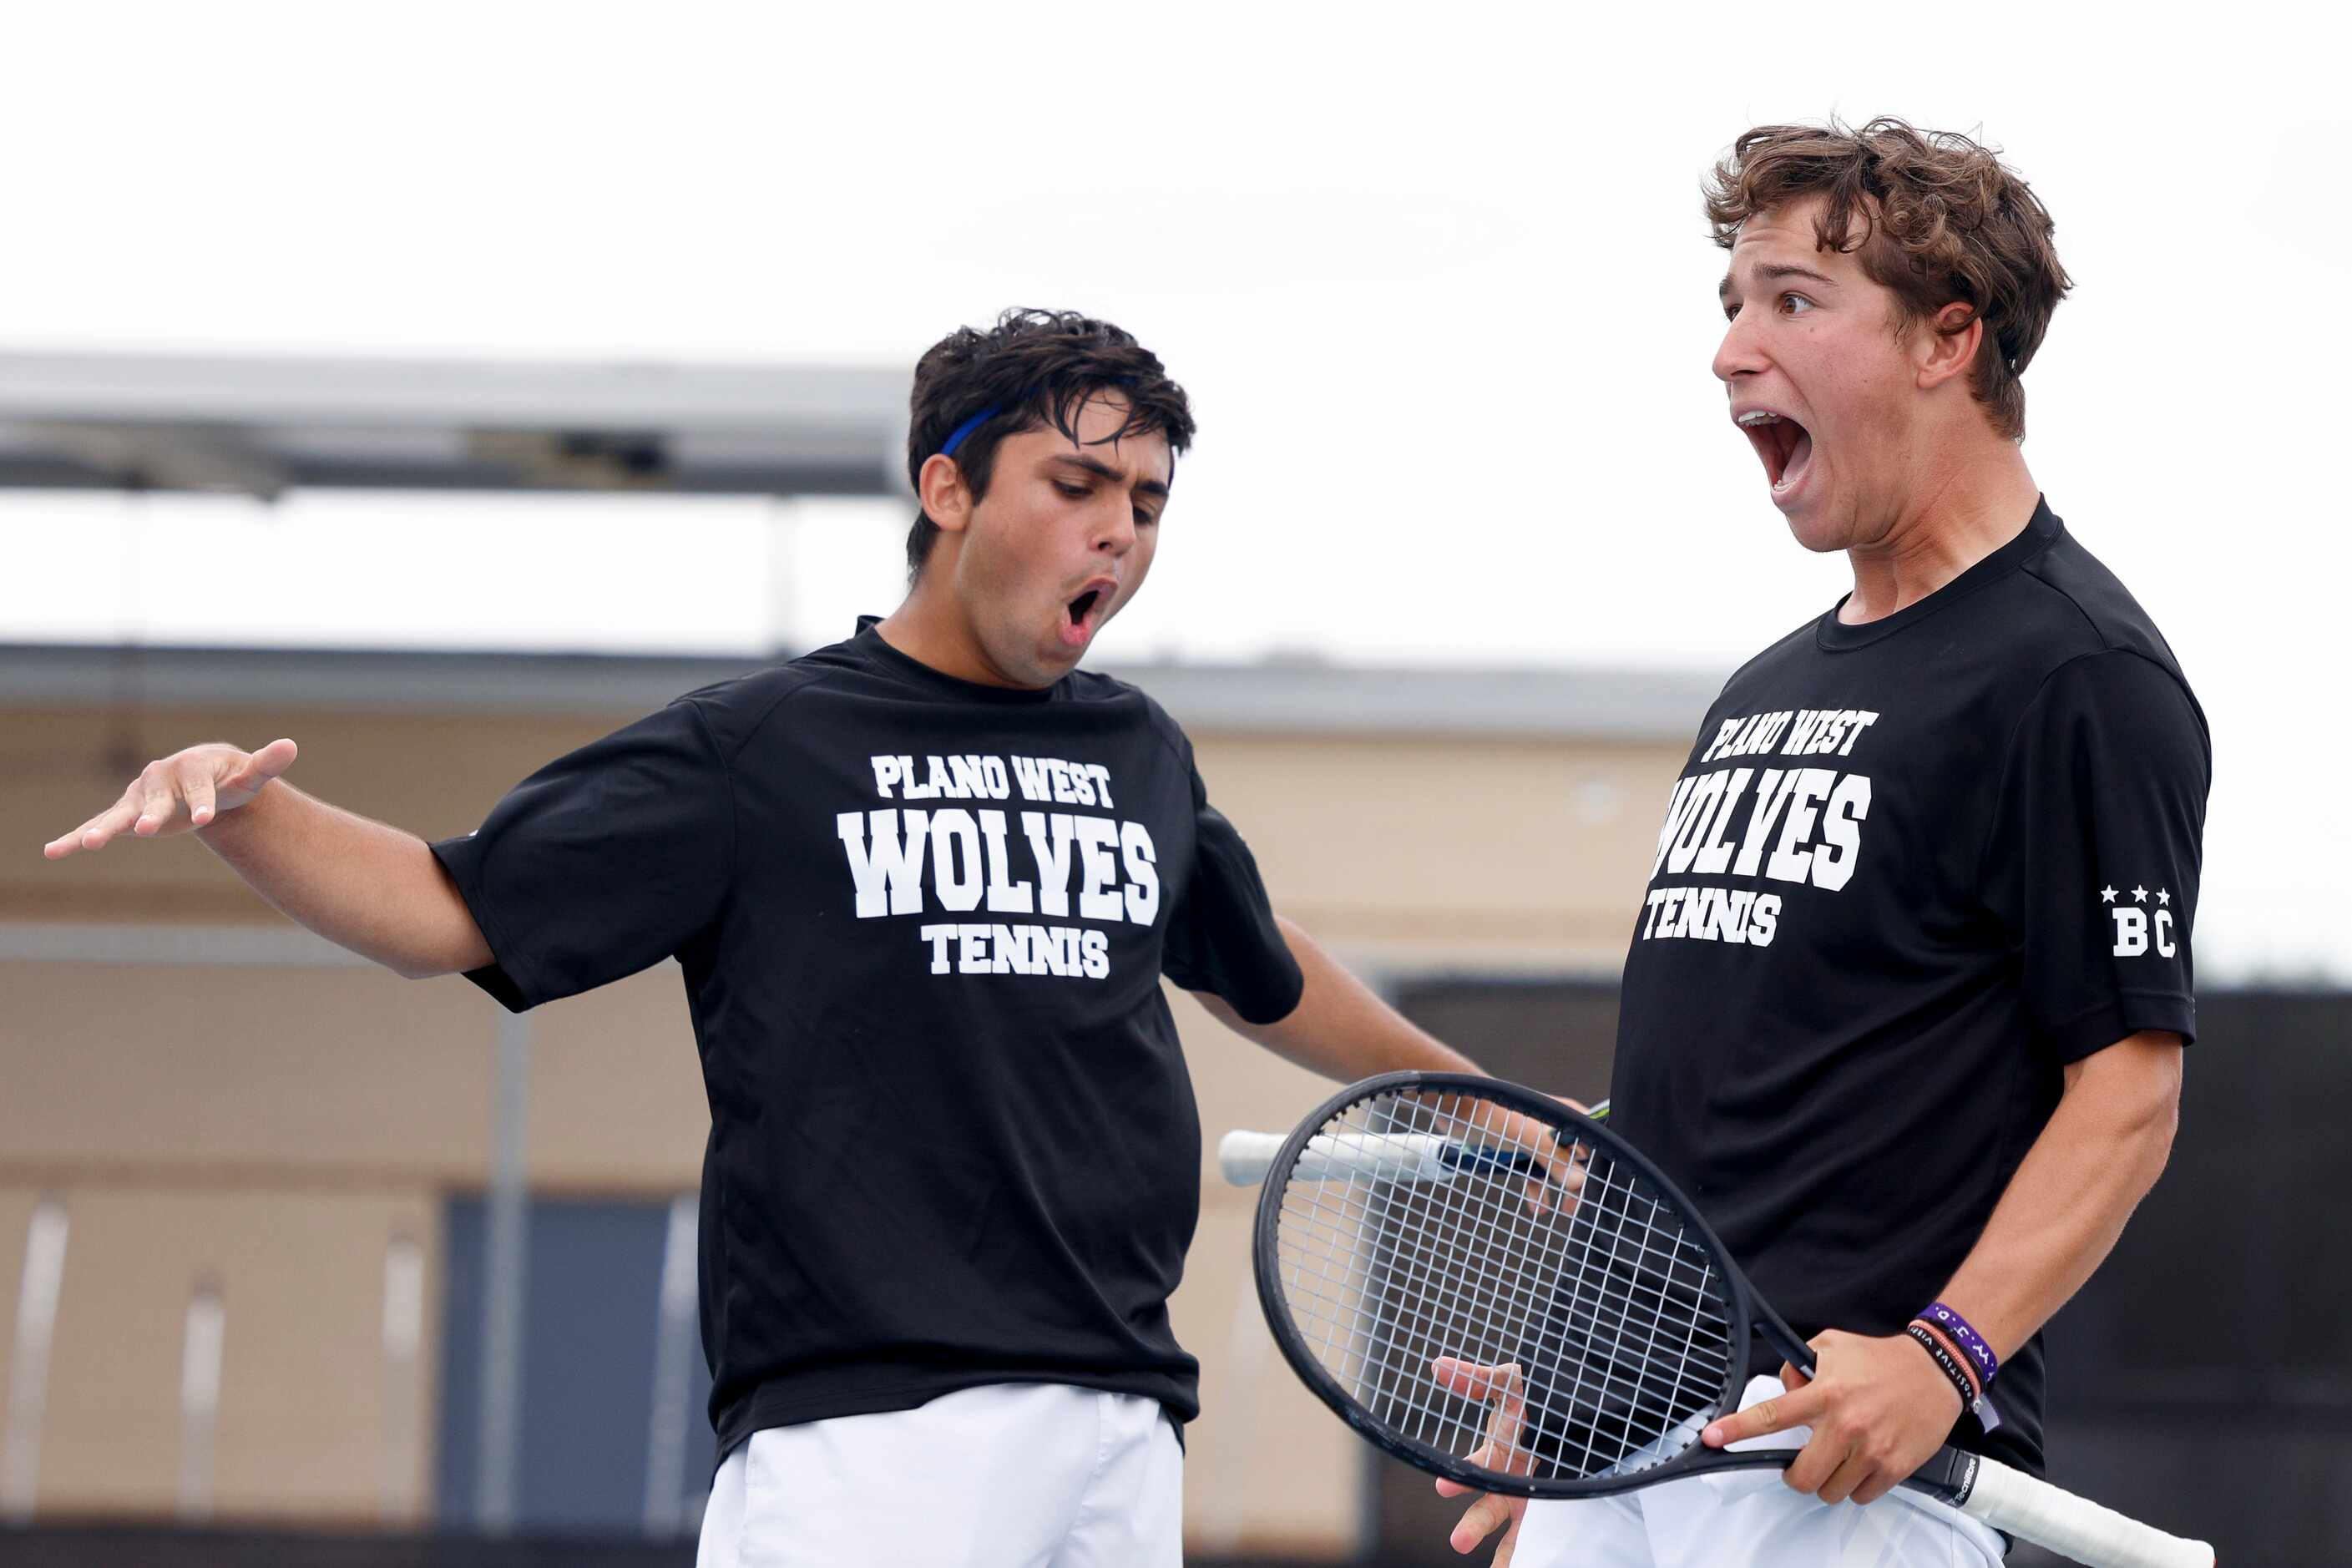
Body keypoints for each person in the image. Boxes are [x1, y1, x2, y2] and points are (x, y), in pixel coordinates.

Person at [43, 309, 1542, 1567]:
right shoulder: (762, 746)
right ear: (945, 488)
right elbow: (452, 907)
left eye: (1145, 502)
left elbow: (1255, 967)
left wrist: (1473, 1088)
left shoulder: (1137, 749)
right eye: (1078, 483)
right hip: (867, 1441)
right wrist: (243, 812)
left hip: (1122, 1420)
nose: (1118, 530)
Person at [1439, 120, 2208, 1566]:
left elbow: (2129, 1094)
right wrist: (1570, 1367)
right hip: (1609, 1460)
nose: (1731, 351)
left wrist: (1941, 1354)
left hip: (1839, 1481)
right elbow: (1699, 1102)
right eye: (1729, 304)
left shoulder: (2078, 676)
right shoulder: (1763, 688)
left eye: (1790, 300)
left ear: (1946, 339)